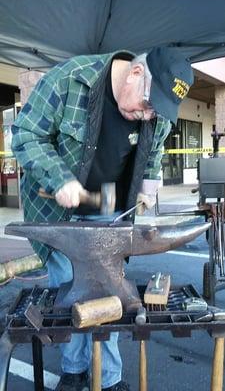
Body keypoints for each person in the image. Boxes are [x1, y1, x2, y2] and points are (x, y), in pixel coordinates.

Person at [12, 46, 193, 391]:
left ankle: (108, 380)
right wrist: (59, 177)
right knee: (72, 288)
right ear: (136, 74)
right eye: (147, 105)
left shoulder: (157, 111)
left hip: (110, 214)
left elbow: (153, 152)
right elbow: (24, 134)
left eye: (156, 111)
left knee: (109, 287)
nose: (147, 116)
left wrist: (147, 188)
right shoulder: (68, 80)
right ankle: (75, 370)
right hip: (58, 214)